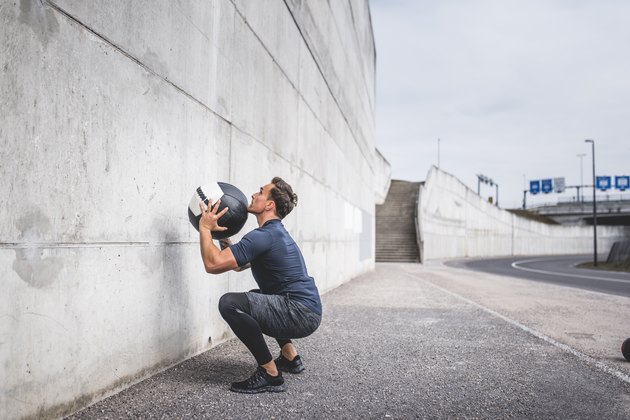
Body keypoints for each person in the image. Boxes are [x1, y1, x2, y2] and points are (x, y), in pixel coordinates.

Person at [198, 177, 322, 394]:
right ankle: (290, 357)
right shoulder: (273, 233)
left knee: (229, 303)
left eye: (261, 192)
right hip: (307, 310)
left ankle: (270, 373)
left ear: (269, 205)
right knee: (258, 296)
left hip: (299, 312)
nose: (254, 194)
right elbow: (236, 264)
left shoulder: (263, 236)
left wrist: (205, 228)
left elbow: (213, 264)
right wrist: (222, 234)